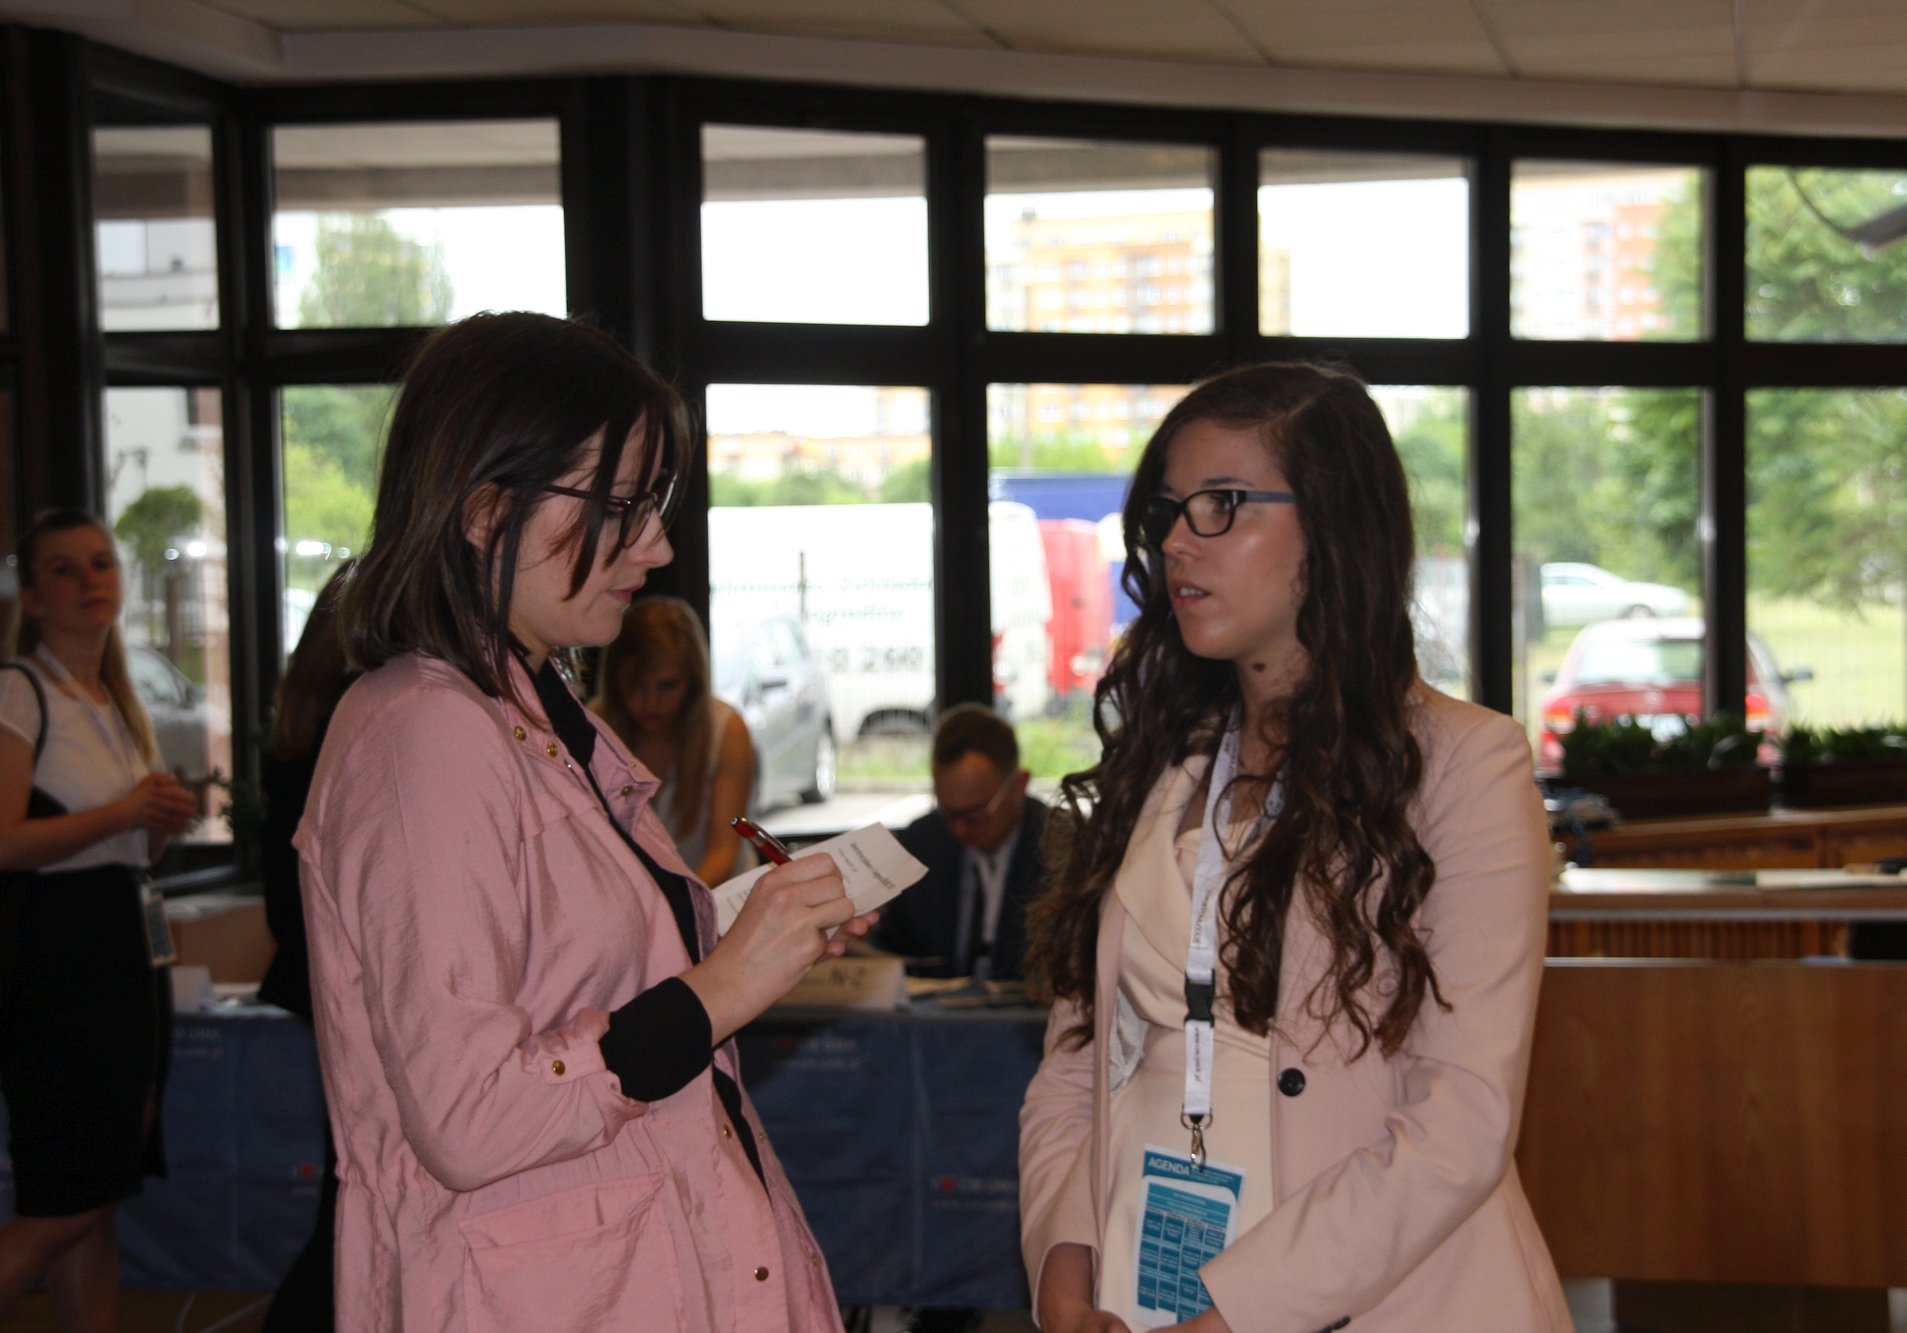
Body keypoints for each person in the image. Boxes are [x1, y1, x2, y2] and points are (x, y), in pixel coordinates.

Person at [296, 311, 869, 1333]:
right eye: (619, 506)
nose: (656, 544)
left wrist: (760, 931)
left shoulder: (530, 708)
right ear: (486, 509)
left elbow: (585, 972)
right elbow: (468, 1113)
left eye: (653, 503)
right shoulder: (423, 734)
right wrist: (725, 985)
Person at [1018, 363, 1569, 1333]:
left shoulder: (1464, 764)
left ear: (1333, 525)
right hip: (1140, 1288)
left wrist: (1238, 1316)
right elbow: (1078, 1062)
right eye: (1169, 510)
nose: (1176, 541)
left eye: (1222, 504)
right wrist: (1064, 1261)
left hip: (1380, 1301)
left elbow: (1461, 1123)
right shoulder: (1162, 762)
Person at [0, 508, 198, 1333]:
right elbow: (7, 840)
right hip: (61, 963)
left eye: (101, 563)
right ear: (32, 596)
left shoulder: (113, 699)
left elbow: (127, 851)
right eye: (64, 569)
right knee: (67, 1198)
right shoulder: (20, 689)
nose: (90, 581)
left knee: (97, 1193)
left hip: (122, 951)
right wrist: (125, 811)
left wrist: (155, 823)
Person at [258, 567, 356, 1333]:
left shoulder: (298, 732)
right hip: (350, 982)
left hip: (314, 975)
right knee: (354, 1190)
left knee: (346, 1181)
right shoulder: (352, 733)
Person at [591, 596, 755, 887]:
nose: (651, 701)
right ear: (614, 681)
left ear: (693, 683)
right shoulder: (593, 728)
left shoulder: (727, 731)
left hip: (722, 896)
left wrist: (677, 907)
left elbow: (723, 852)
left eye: (667, 685)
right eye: (636, 685)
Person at [874, 703, 1045, 981]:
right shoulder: (923, 840)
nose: (959, 827)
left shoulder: (1063, 850)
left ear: (1018, 785)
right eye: (948, 812)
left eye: (976, 814)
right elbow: (896, 943)